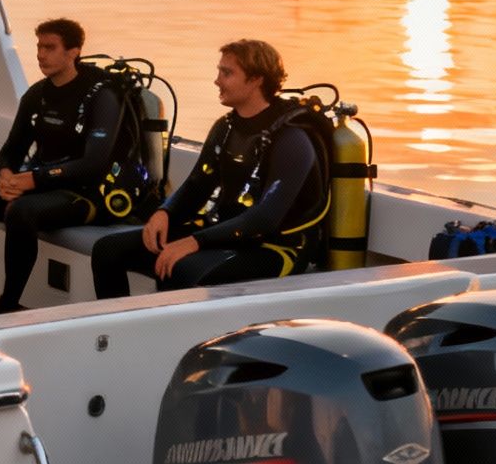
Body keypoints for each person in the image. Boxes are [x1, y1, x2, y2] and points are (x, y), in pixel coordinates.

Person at [90, 39, 325, 298]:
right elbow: (196, 186)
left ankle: (179, 338)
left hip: (274, 247)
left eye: (227, 73)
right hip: (225, 232)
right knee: (108, 251)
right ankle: (118, 333)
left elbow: (266, 219)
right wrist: (164, 213)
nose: (217, 80)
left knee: (179, 268)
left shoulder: (291, 139)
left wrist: (195, 242)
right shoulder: (225, 128)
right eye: (219, 71)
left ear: (256, 80)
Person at [0, 19, 122, 313]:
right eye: (39, 47)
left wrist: (34, 180)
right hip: (40, 185)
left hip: (84, 195)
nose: (41, 55)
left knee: (20, 211)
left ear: (74, 52)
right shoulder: (37, 95)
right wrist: (5, 175)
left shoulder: (101, 97)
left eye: (50, 47)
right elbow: (11, 150)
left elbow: (93, 165)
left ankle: (8, 302)